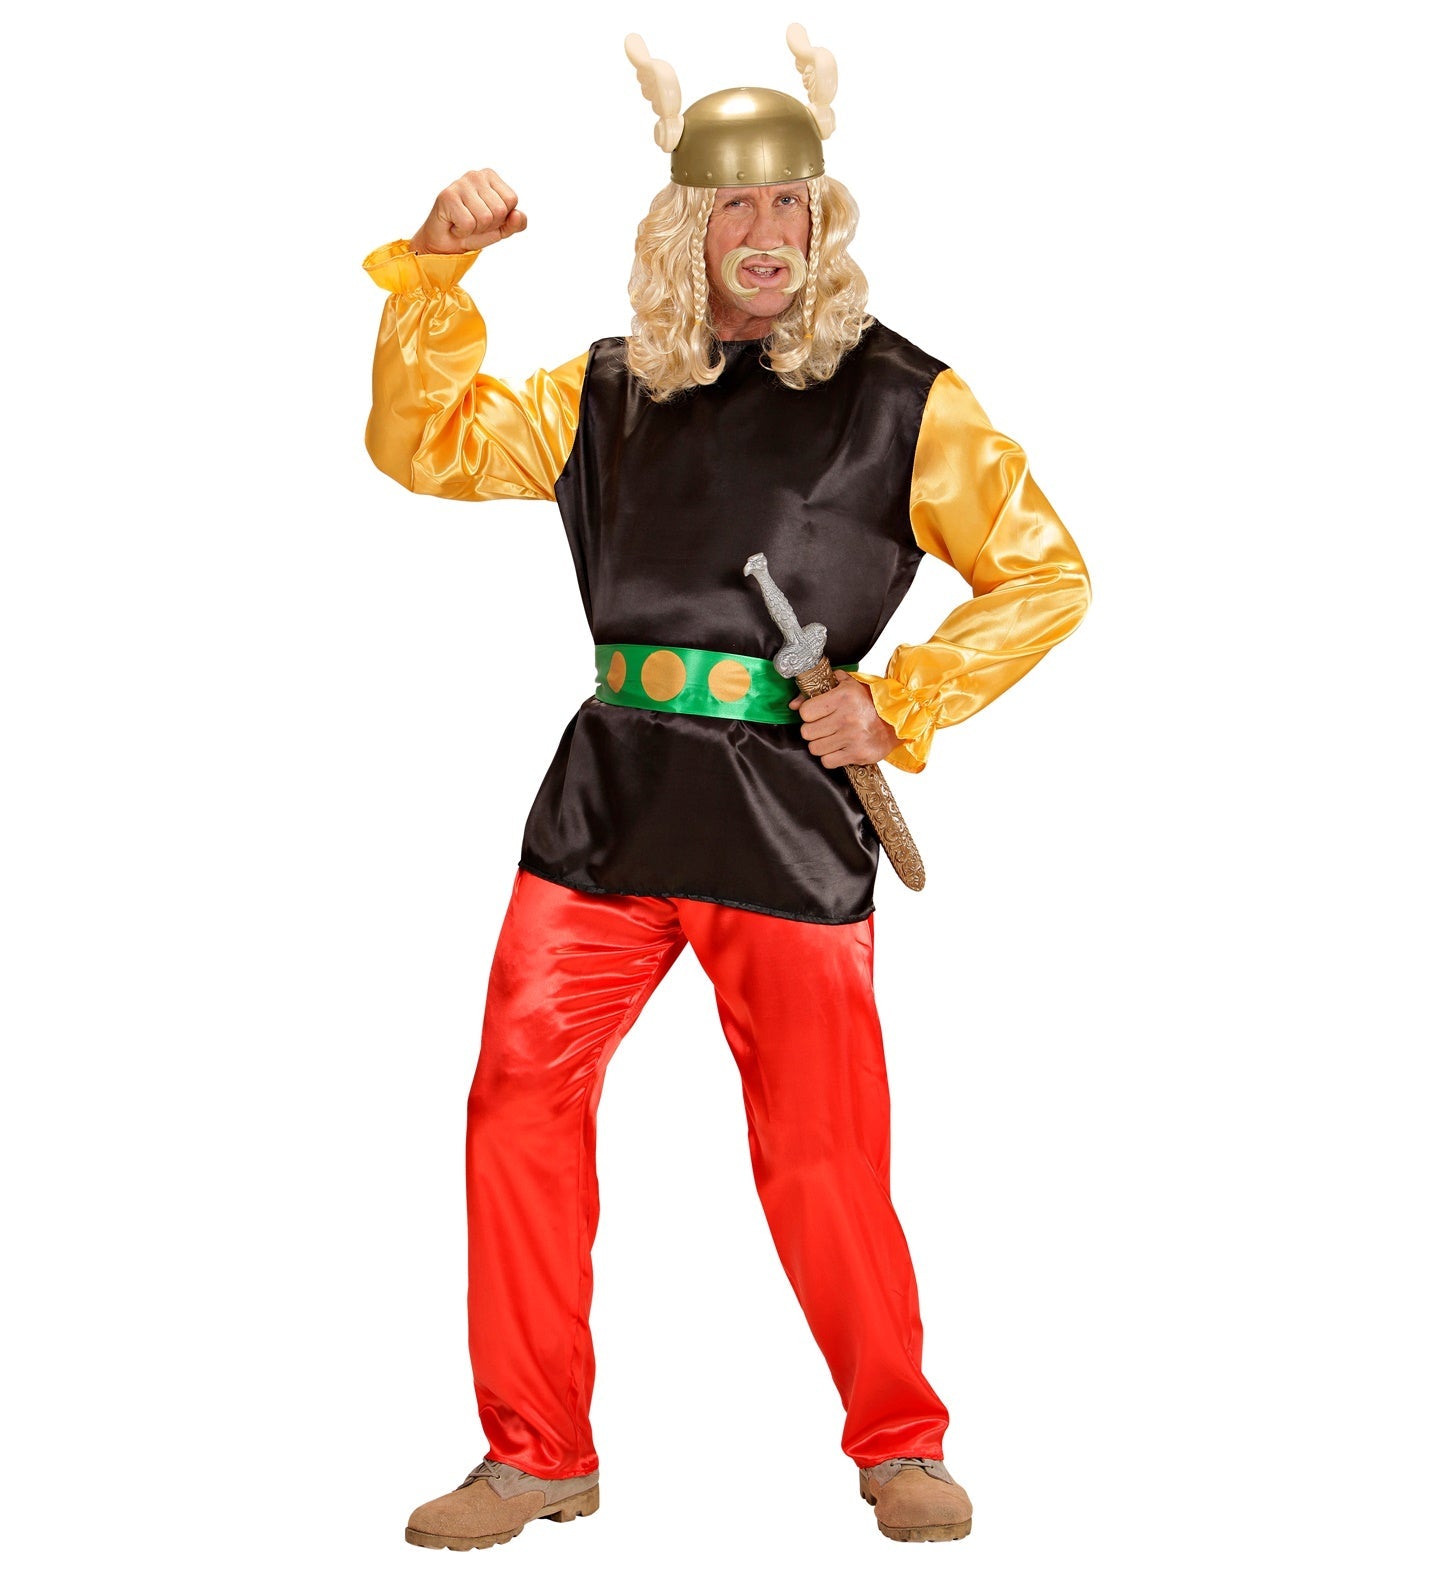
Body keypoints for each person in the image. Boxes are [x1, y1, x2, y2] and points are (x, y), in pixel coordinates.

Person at [362, 26, 1090, 1552]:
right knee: (515, 1110)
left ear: (824, 220)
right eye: (738, 208)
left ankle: (900, 1441)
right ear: (684, 226)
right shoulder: (606, 389)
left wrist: (898, 703)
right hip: (606, 808)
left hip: (780, 820)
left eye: (792, 207)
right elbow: (427, 448)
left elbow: (1042, 574)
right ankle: (534, 1453)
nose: (768, 234)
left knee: (821, 1153)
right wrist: (433, 276)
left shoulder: (902, 399)